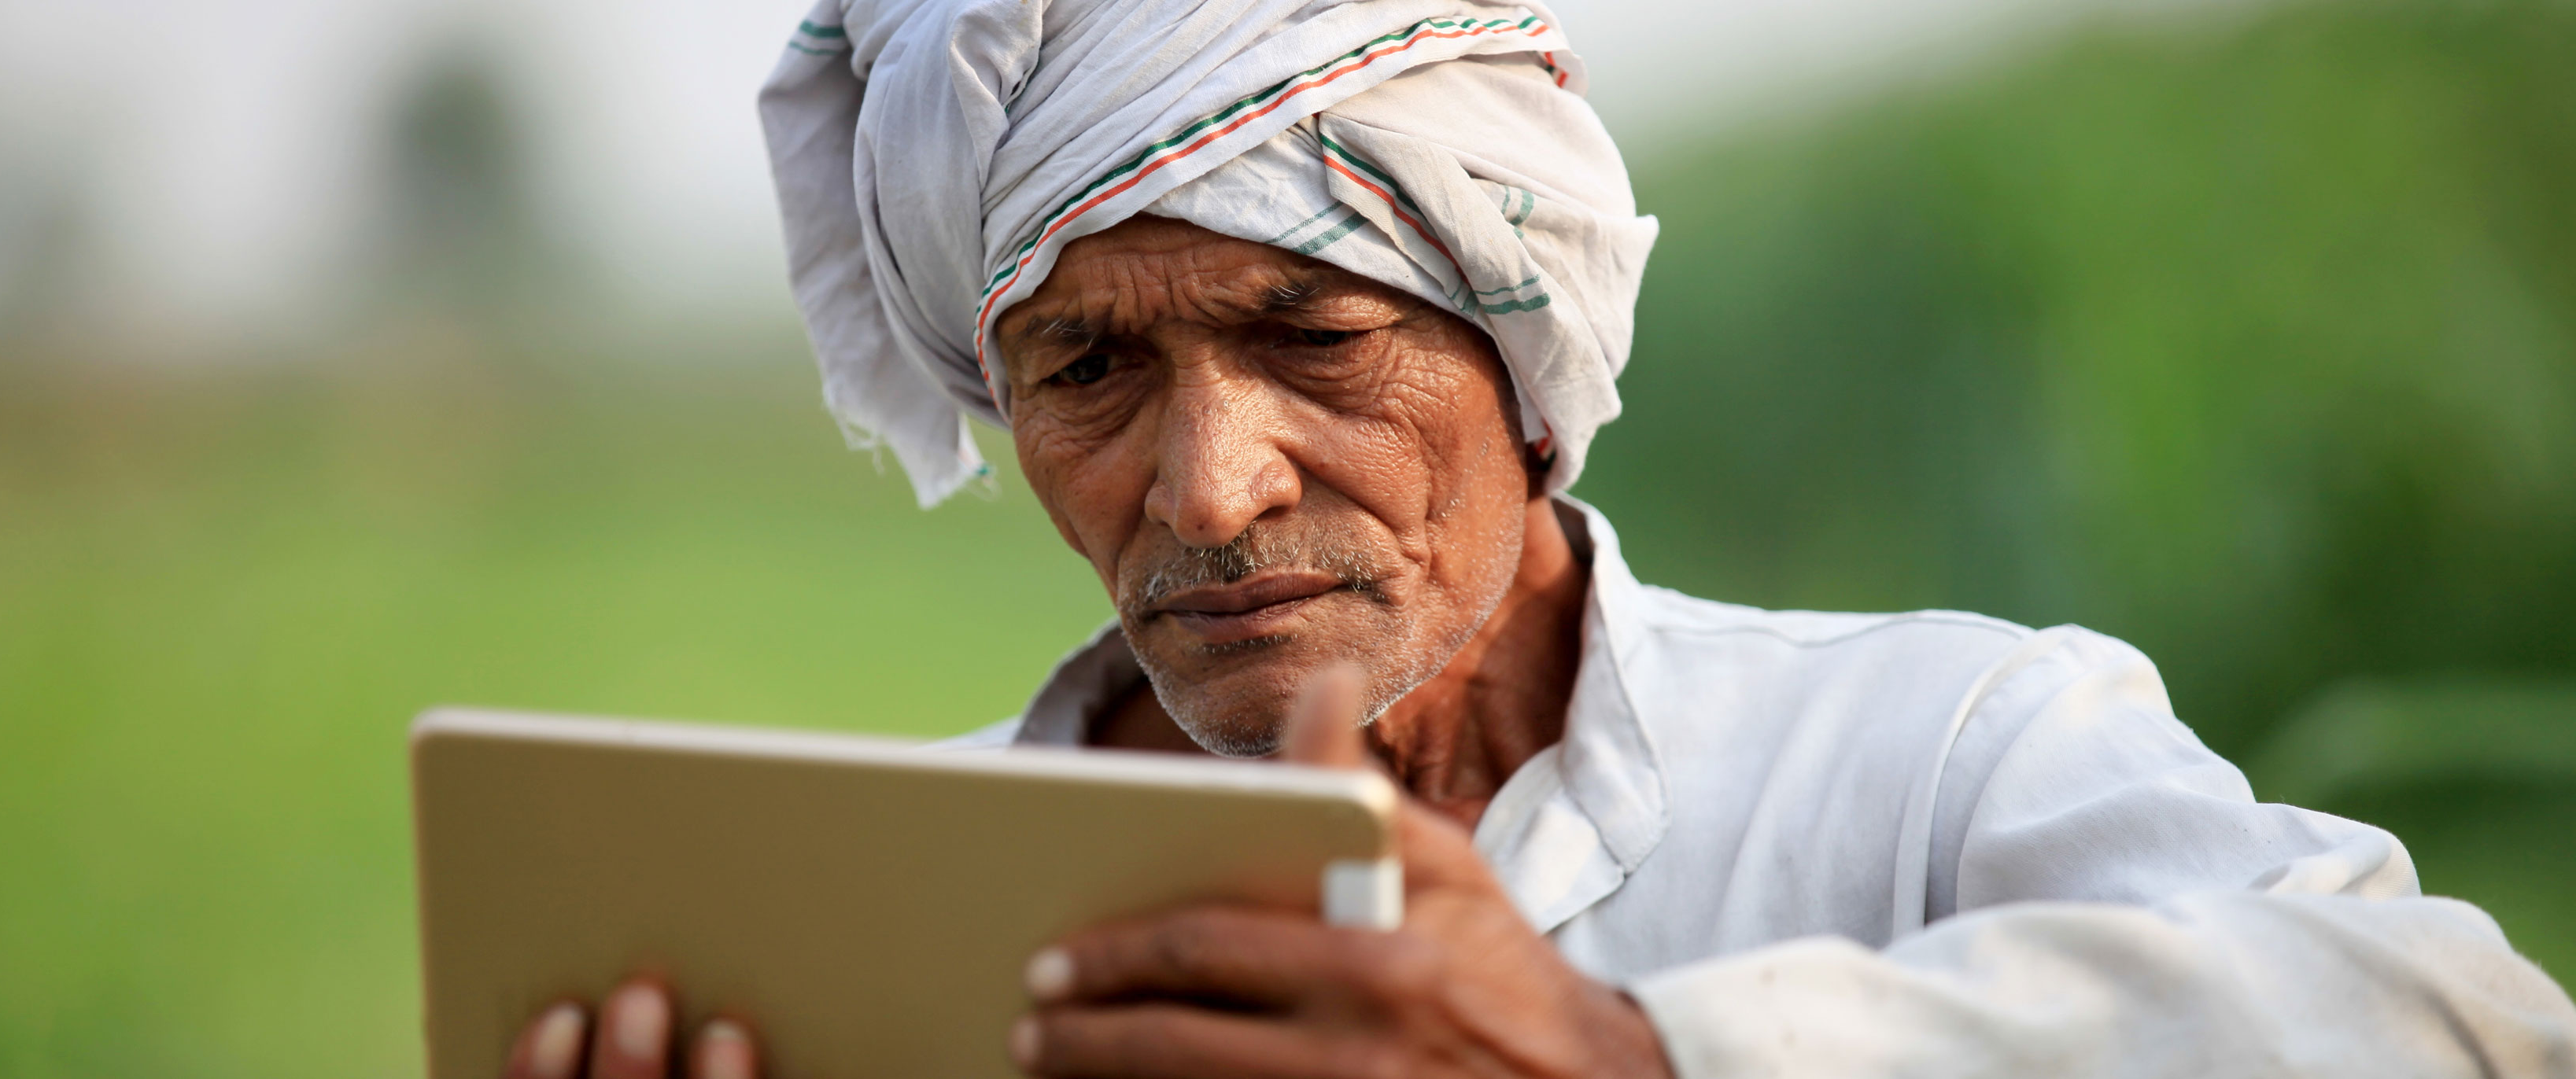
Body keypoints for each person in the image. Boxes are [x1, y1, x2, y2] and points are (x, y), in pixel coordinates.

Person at [498, 2, 2576, 1077]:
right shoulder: (866, 929)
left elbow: (2459, 1023)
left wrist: (1618, 1053)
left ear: (1523, 336)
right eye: (1089, 372)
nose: (1209, 489)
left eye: (1310, 333)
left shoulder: (1937, 758)